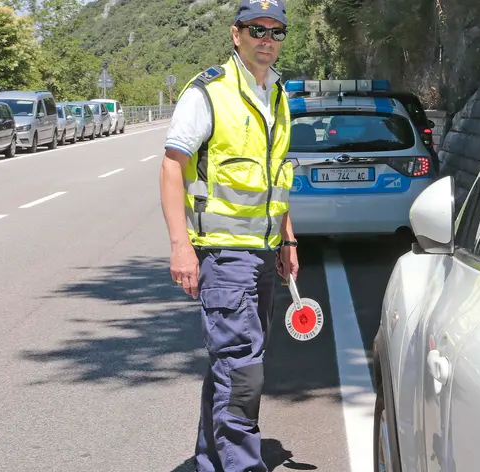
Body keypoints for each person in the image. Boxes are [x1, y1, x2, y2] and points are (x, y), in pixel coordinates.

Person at [158, 0, 297, 470]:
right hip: (223, 255)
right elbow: (171, 169)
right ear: (236, 35)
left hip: (263, 251)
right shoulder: (209, 92)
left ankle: (213, 461)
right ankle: (241, 466)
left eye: (276, 32)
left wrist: (288, 240)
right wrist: (181, 247)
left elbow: (276, 178)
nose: (267, 39)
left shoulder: (277, 95)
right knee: (242, 368)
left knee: (233, 364)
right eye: (257, 29)